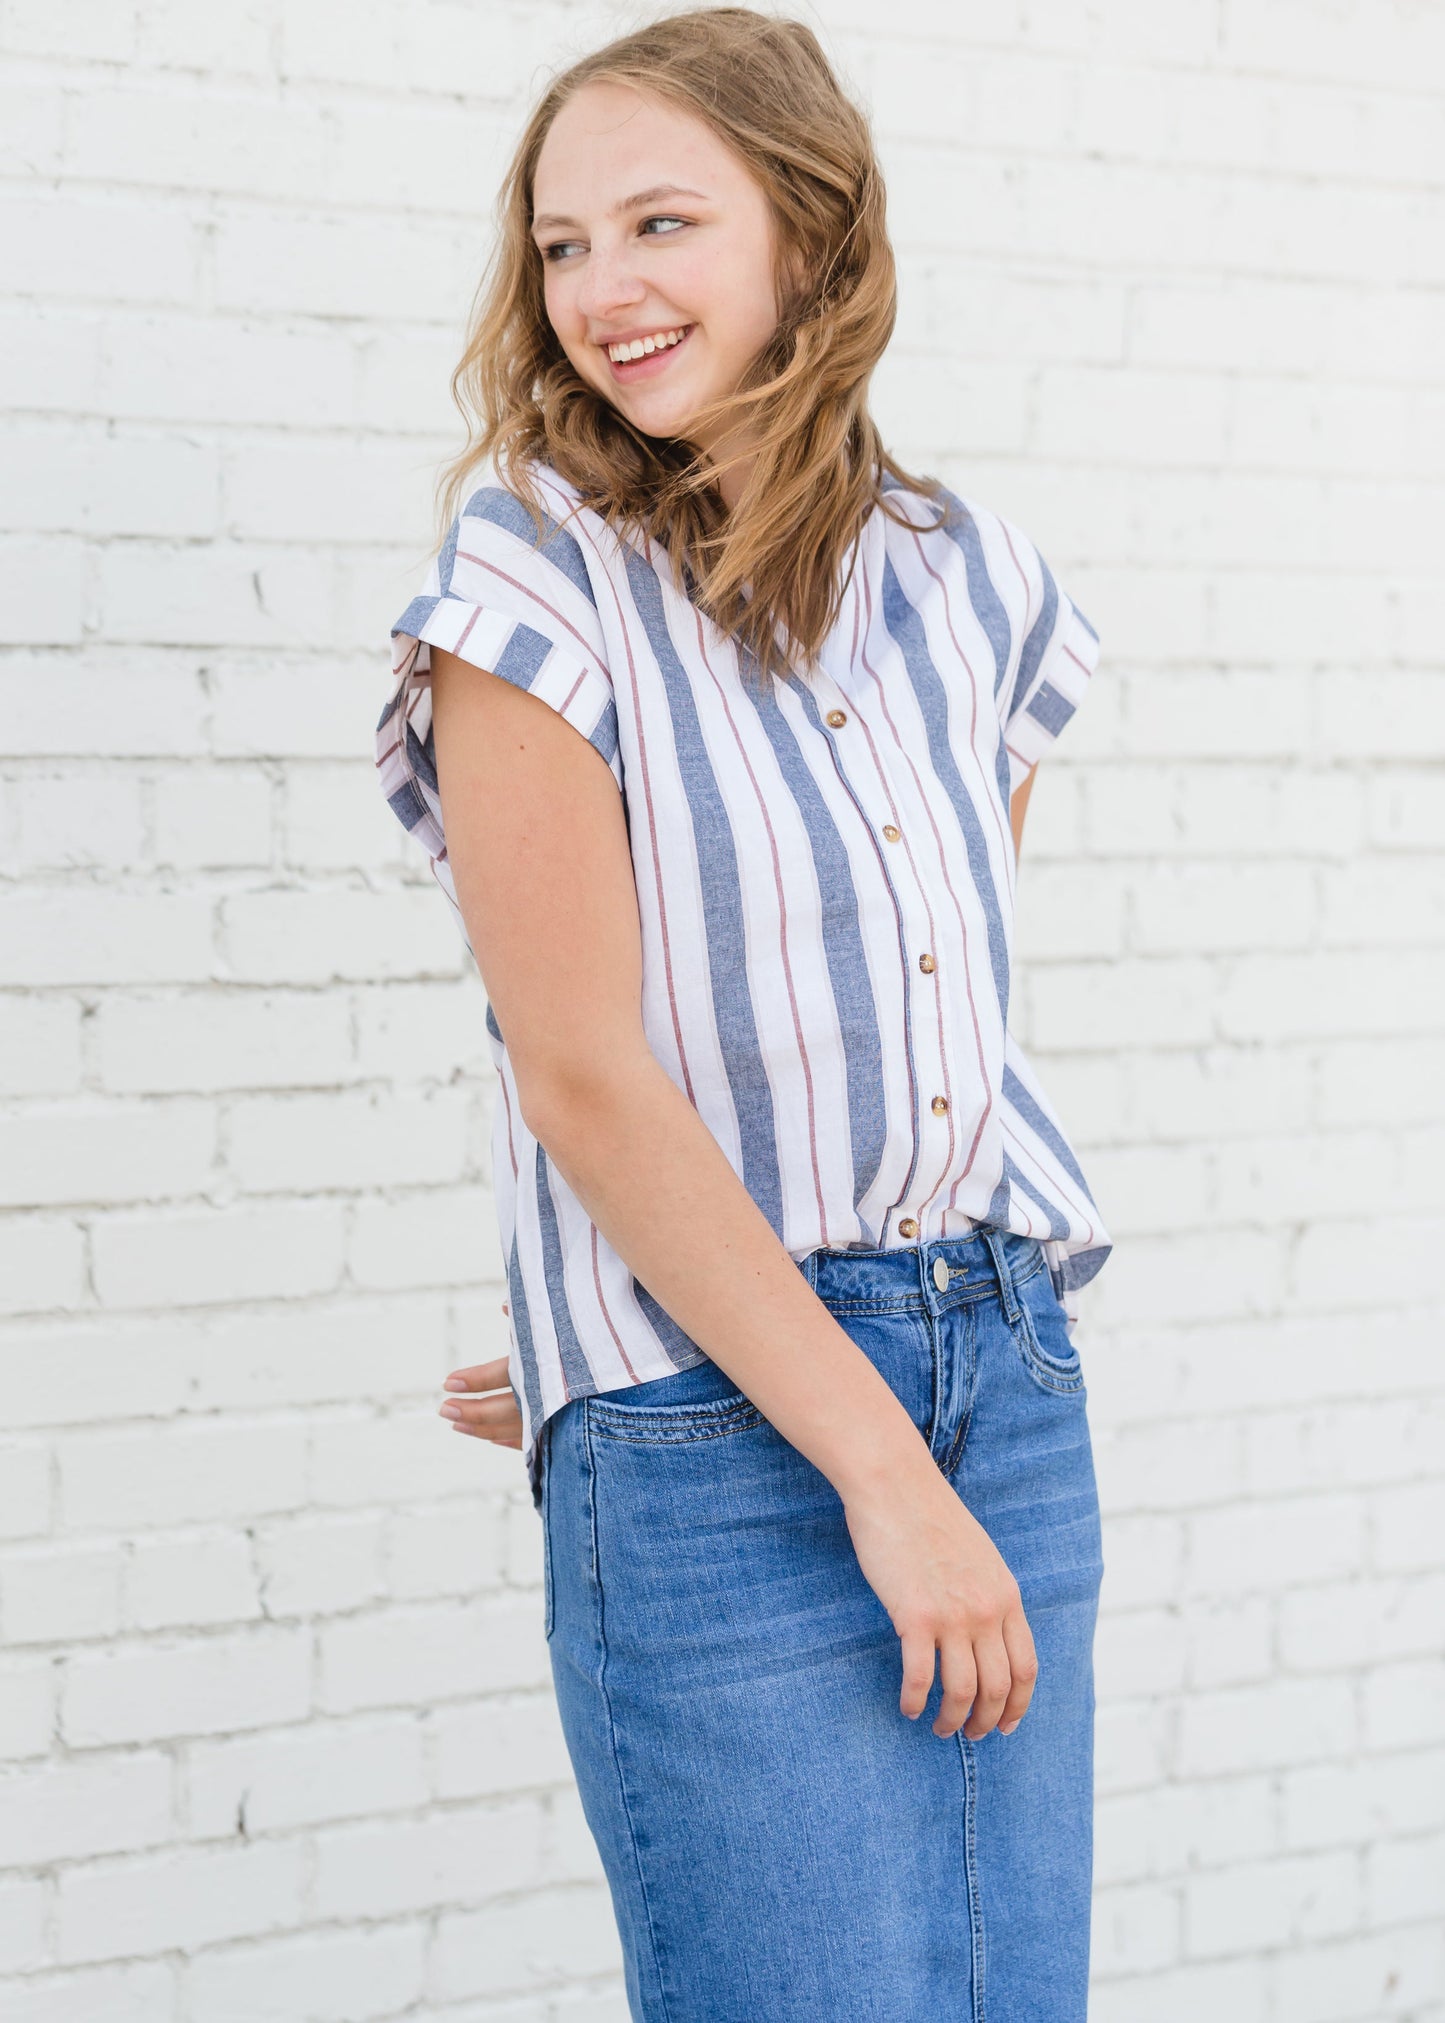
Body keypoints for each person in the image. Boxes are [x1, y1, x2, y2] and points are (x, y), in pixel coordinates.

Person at [373, 9, 1111, 2017]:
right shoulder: (537, 567)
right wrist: (675, 1348)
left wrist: (651, 1298)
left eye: (659, 223)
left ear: (807, 228)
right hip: (729, 1443)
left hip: (998, 1374)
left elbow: (923, 1011)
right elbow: (585, 1063)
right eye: (561, 244)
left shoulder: (976, 583)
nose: (601, 289)